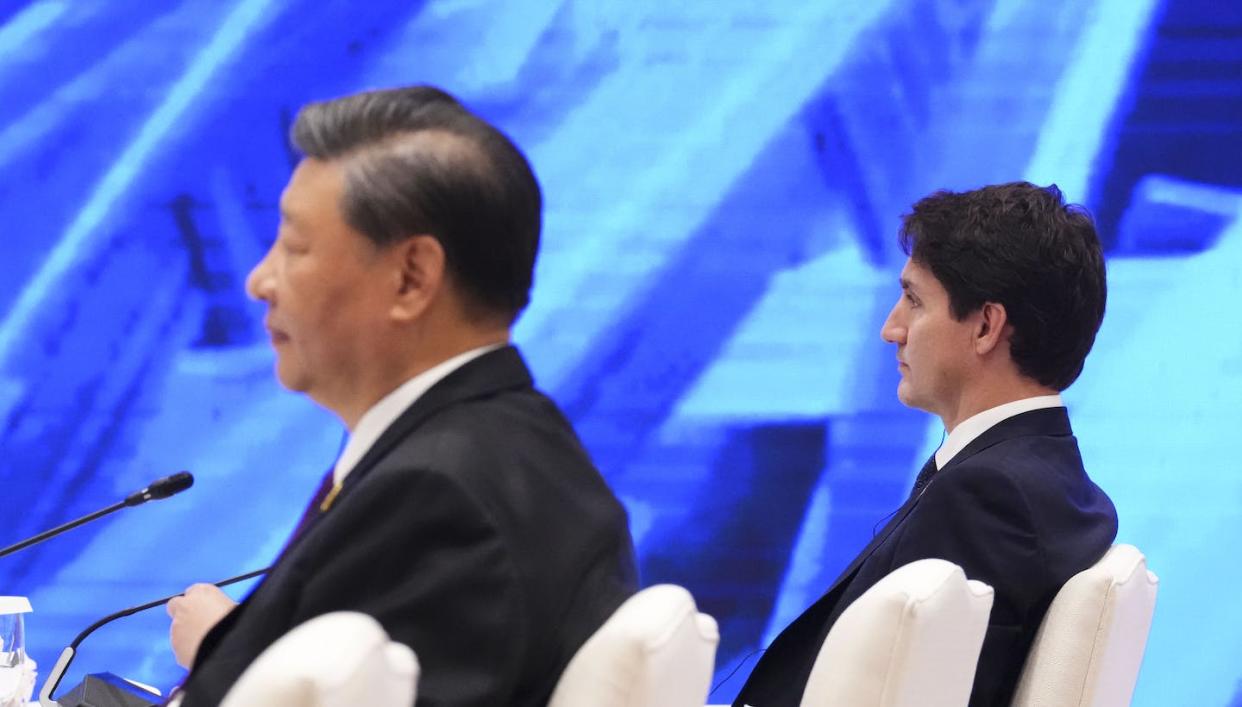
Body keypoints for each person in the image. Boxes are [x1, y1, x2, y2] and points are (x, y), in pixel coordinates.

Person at [165, 85, 638, 706]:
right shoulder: (511, 444)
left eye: (294, 248)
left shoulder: (435, 499)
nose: (259, 281)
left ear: (412, 278)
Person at [733, 182, 1118, 707]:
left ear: (986, 326)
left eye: (914, 300)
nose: (891, 329)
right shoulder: (1049, 483)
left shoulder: (987, 495)